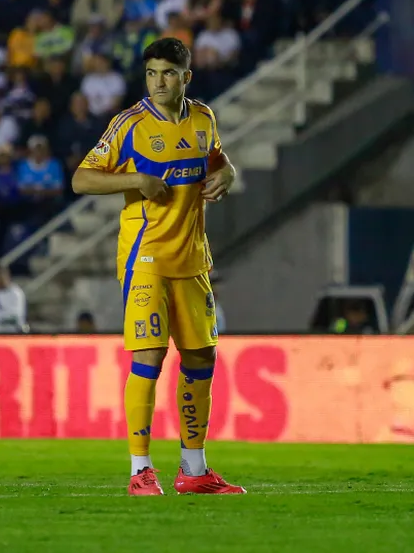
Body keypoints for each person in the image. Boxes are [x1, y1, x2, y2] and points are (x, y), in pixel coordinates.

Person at [71, 37, 244, 496]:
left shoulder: (204, 117)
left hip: (192, 260)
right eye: (151, 73)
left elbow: (217, 158)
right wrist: (135, 180)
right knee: (149, 357)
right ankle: (140, 470)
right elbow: (81, 179)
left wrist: (227, 171)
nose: (159, 82)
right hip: (145, 258)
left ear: (186, 77)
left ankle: (193, 469)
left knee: (201, 358)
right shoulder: (129, 124)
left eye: (168, 73)